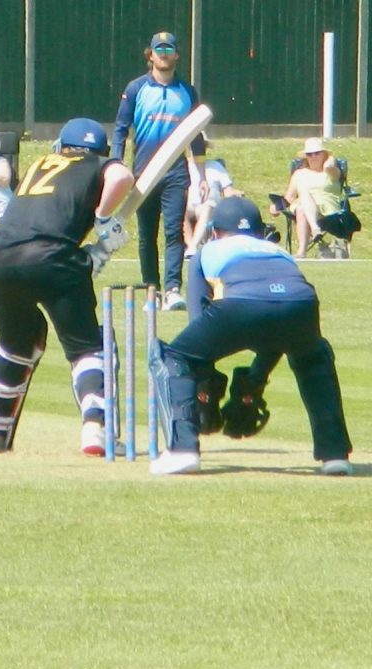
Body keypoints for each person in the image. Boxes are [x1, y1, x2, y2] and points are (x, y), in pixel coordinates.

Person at [149, 196, 352, 476]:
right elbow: (276, 326)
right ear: (259, 231)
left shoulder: (207, 251)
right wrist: (252, 382)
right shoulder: (276, 250)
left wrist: (206, 389)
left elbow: (199, 321)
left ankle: (183, 450)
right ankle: (335, 454)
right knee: (313, 357)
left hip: (239, 305)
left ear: (215, 231)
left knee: (174, 356)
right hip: (301, 304)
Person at [0, 117, 135, 456]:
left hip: (1, 260)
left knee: (18, 342)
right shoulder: (97, 163)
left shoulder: (40, 164)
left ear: (61, 147)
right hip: (52, 258)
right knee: (88, 347)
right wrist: (104, 223)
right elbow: (121, 176)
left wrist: (88, 258)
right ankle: (96, 429)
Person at [112, 31, 205, 311]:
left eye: (169, 50)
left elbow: (196, 135)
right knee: (146, 233)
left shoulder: (187, 92)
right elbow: (120, 128)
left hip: (176, 172)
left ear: (176, 55)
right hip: (144, 171)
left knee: (173, 231)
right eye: (158, 50)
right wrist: (116, 163)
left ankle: (173, 289)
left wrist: (201, 175)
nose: (163, 54)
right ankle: (152, 290)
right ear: (150, 55)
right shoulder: (137, 88)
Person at [272, 136, 356, 257]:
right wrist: (276, 206)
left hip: (327, 209)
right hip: (302, 208)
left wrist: (330, 158)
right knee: (302, 205)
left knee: (303, 200)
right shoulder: (299, 174)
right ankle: (311, 236)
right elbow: (288, 198)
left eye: (317, 153)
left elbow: (329, 166)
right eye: (310, 154)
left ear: (324, 154)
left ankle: (303, 248)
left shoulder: (332, 171)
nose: (313, 157)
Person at [183, 143, 241, 256]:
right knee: (179, 210)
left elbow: (228, 191)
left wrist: (235, 194)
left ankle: (192, 247)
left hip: (208, 206)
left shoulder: (215, 166)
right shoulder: (182, 167)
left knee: (208, 207)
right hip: (187, 204)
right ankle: (190, 245)